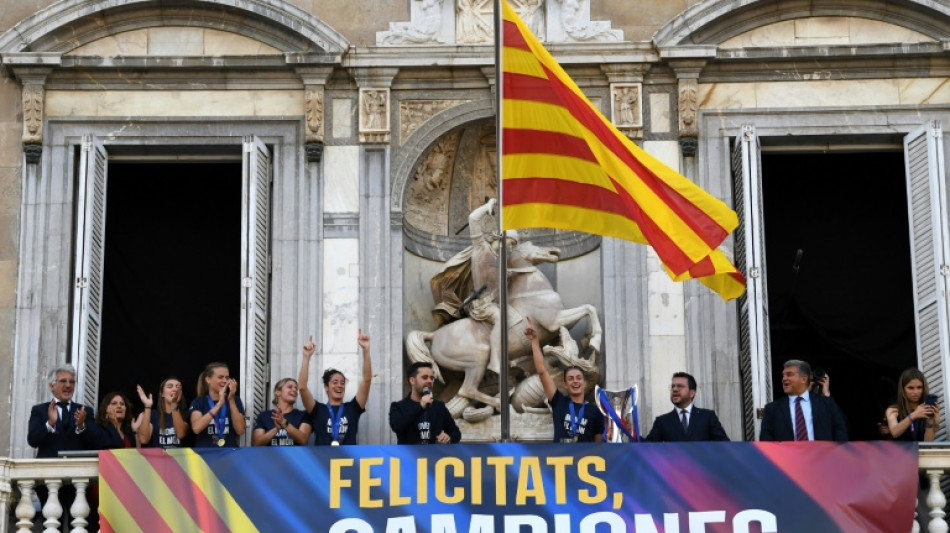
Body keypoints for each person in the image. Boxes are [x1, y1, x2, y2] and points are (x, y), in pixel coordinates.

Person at [526, 316, 604, 443]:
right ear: (566, 385)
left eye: (579, 378)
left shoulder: (594, 411)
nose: (575, 381)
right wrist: (534, 341)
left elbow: (599, 445)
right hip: (561, 460)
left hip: (584, 461)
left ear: (584, 383)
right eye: (571, 378)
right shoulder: (559, 402)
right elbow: (542, 371)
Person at [299, 331, 373, 445]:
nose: (339, 385)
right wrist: (306, 357)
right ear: (326, 387)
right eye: (335, 382)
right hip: (322, 461)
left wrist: (366, 350)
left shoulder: (353, 408)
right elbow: (303, 387)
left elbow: (367, 380)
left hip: (347, 460)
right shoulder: (318, 410)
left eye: (342, 383)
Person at [760, 359, 848, 442]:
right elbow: (766, 439)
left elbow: (841, 430)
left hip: (821, 457)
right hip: (787, 457)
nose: (784, 379)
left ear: (804, 379)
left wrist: (826, 394)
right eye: (783, 375)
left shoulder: (826, 403)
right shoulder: (772, 409)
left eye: (789, 374)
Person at [27, 365, 101, 457]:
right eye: (63, 381)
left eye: (72, 382)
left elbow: (96, 443)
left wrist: (81, 426)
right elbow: (32, 441)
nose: (68, 385)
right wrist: (49, 424)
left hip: (77, 468)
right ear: (52, 386)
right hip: (48, 468)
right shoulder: (39, 410)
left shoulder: (85, 411)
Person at [389, 362, 461, 444]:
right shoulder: (399, 407)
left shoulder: (438, 407)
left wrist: (448, 438)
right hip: (408, 455)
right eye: (425, 377)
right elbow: (397, 426)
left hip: (433, 455)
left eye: (431, 378)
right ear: (412, 381)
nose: (429, 381)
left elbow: (455, 433)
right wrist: (420, 407)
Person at [644, 372, 729, 442]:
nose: (675, 389)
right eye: (673, 386)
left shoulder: (708, 417)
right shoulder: (662, 421)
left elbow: (725, 445)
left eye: (680, 386)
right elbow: (646, 448)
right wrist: (631, 432)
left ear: (692, 393)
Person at [189, 362, 246, 447]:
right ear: (208, 379)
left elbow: (240, 430)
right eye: (220, 377)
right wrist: (219, 405)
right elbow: (196, 428)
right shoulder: (199, 402)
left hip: (229, 454)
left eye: (227, 377)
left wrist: (231, 400)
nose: (224, 381)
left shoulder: (235, 400)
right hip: (205, 456)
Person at [253, 378, 312, 446]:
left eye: (296, 388)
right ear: (278, 392)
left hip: (294, 456)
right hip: (270, 456)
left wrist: (284, 423)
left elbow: (303, 440)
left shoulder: (303, 415)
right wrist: (276, 429)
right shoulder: (264, 416)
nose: (294, 390)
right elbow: (257, 443)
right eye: (290, 387)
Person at [886, 368, 940, 442]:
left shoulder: (926, 410)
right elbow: (895, 432)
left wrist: (930, 420)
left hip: (919, 453)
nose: (916, 392)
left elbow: (928, 443)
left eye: (919, 387)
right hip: (899, 453)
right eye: (911, 388)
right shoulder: (893, 410)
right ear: (903, 389)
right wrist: (914, 415)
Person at [135, 377, 189, 449]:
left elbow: (180, 434)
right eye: (170, 386)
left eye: (178, 387)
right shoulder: (153, 414)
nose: (174, 389)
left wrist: (174, 404)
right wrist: (147, 407)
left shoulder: (185, 413)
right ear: (162, 393)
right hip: (157, 459)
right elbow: (143, 440)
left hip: (178, 459)